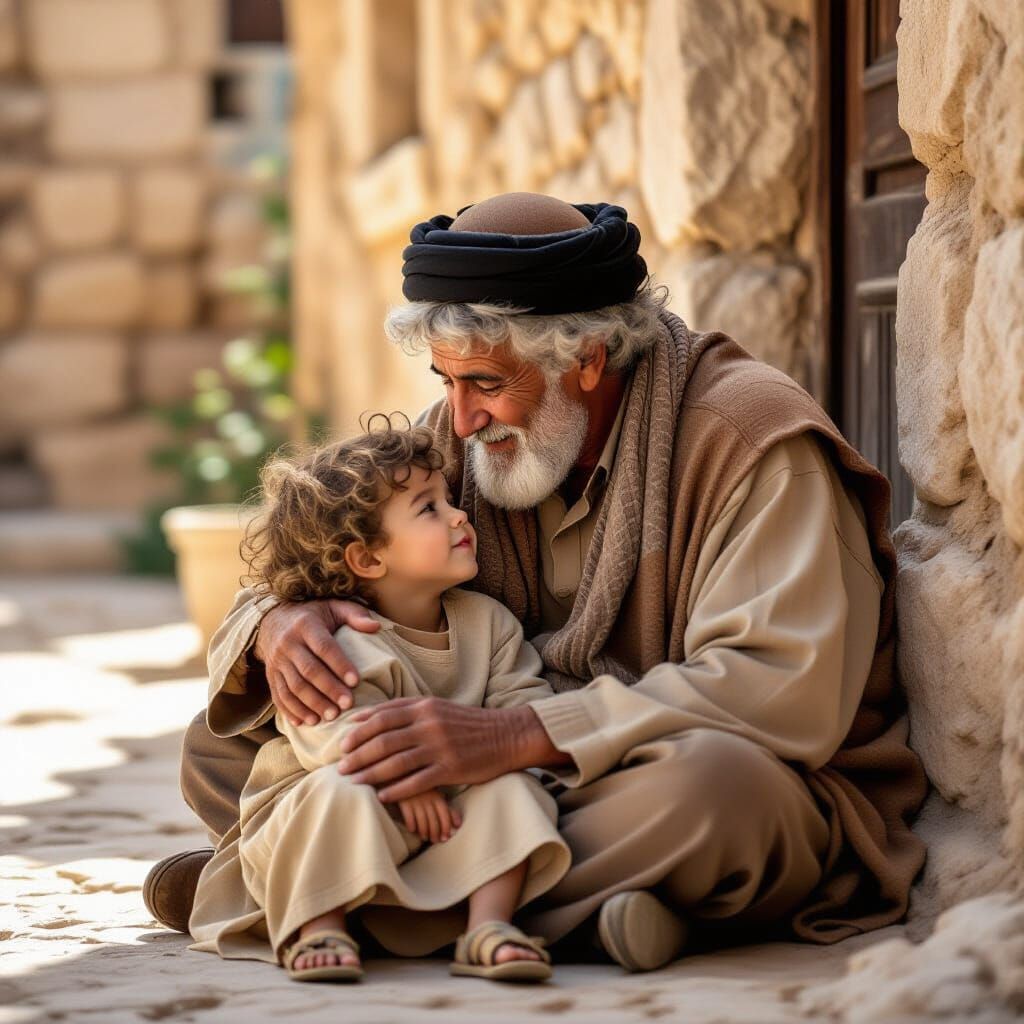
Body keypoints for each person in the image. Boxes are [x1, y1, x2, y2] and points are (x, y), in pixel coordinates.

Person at [147, 192, 928, 974]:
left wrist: (515, 739)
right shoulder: (461, 440)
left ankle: (290, 891)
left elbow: (780, 691)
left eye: (484, 383)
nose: (459, 420)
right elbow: (323, 546)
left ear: (586, 360)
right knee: (223, 744)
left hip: (675, 775)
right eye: (445, 383)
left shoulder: (749, 441)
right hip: (480, 792)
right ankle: (594, 916)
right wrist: (277, 625)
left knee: (720, 794)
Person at [189, 417, 570, 983]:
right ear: (366, 559)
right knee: (336, 791)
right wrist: (409, 779)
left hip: (443, 805)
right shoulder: (345, 637)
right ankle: (319, 923)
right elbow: (329, 734)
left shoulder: (488, 624)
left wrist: (506, 752)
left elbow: (523, 702)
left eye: (447, 499)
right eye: (429, 509)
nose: (459, 514)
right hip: (348, 799)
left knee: (514, 788)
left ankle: (488, 926)